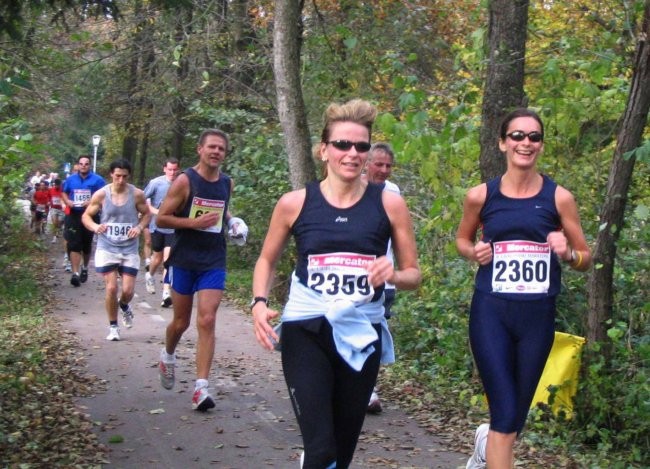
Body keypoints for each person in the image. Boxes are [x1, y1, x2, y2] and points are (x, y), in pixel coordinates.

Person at [252, 99, 421, 469]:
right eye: (342, 144)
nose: (352, 153)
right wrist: (259, 303)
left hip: (361, 334)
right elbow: (266, 259)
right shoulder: (295, 203)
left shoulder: (390, 204)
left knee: (340, 453)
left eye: (361, 146)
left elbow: (413, 274)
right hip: (306, 330)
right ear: (324, 150)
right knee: (321, 448)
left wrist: (391, 274)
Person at [455, 108, 592, 469]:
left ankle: (486, 449)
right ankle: (490, 446)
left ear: (541, 146)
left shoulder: (559, 197)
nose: (525, 143)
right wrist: (474, 252)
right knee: (504, 413)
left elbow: (586, 257)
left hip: (537, 317)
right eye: (517, 136)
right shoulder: (480, 196)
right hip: (491, 312)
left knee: (515, 416)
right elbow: (462, 240)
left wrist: (568, 253)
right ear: (502, 143)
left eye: (533, 137)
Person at [156, 129, 248, 411]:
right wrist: (192, 224)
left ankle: (201, 388)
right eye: (211, 147)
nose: (216, 152)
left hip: (213, 259)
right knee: (181, 322)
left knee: (207, 320)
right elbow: (161, 218)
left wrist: (233, 223)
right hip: (184, 259)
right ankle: (168, 355)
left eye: (221, 148)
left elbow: (221, 211)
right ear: (200, 149)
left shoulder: (227, 183)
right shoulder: (185, 181)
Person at [82, 159, 150, 341]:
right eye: (117, 176)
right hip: (107, 246)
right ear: (111, 174)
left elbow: (147, 214)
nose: (120, 180)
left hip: (129, 248)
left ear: (129, 176)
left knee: (127, 291)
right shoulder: (101, 195)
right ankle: (113, 327)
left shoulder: (136, 194)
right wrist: (95, 227)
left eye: (124, 177)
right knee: (111, 288)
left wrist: (140, 227)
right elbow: (86, 216)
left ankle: (125, 306)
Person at [362, 142, 401, 414]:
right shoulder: (354, 189)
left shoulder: (394, 193)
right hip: (351, 280)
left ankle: (367, 389)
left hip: (384, 280)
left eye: (388, 166)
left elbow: (400, 235)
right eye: (379, 164)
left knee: (374, 337)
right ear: (366, 163)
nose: (384, 170)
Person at [62, 155, 106, 287]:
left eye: (86, 164)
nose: (83, 166)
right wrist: (68, 201)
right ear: (78, 165)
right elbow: (64, 192)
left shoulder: (98, 180)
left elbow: (105, 196)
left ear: (90, 165)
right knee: (74, 244)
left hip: (90, 216)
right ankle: (75, 273)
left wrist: (92, 202)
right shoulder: (70, 179)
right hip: (74, 215)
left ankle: (85, 268)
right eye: (81, 163)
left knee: (86, 245)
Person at [143, 158, 180, 307]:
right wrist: (155, 211)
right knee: (157, 258)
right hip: (157, 226)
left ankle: (166, 293)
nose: (172, 173)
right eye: (169, 169)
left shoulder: (182, 183)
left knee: (168, 260)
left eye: (174, 170)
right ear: (164, 169)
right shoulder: (156, 183)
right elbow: (143, 199)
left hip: (173, 228)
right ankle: (149, 274)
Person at [48, 178, 65, 243]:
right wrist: (49, 201)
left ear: (60, 185)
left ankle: (59, 230)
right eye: (56, 185)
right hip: (53, 208)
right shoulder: (51, 190)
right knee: (54, 222)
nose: (57, 186)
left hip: (61, 209)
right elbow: (49, 197)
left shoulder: (63, 190)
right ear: (54, 184)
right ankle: (54, 237)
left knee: (59, 223)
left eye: (58, 185)